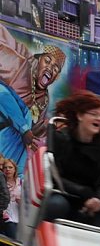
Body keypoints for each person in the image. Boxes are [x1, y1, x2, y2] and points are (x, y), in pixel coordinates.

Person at [0, 25, 65, 171]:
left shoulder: (44, 99)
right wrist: (23, 129)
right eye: (47, 61)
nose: (50, 68)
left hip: (11, 154)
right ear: (38, 59)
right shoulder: (19, 63)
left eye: (55, 68)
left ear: (56, 76)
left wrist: (53, 127)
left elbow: (35, 131)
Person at [44, 91, 100, 226]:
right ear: (80, 115)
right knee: (57, 205)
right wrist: (83, 192)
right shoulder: (61, 139)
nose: (99, 119)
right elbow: (54, 176)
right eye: (94, 114)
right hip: (63, 193)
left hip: (91, 200)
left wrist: (98, 199)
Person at [2, 158, 21, 238]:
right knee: (13, 238)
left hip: (19, 215)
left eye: (10, 167)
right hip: (6, 215)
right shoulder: (2, 182)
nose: (7, 169)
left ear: (15, 169)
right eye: (5, 167)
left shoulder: (21, 182)